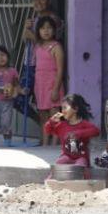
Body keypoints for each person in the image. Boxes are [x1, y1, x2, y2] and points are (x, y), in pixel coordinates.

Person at [32, 16, 65, 145]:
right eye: (43, 28)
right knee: (43, 117)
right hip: (40, 84)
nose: (46, 31)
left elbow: (60, 69)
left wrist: (56, 89)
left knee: (55, 116)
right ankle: (45, 143)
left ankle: (54, 144)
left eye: (49, 28)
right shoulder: (37, 46)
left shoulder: (56, 47)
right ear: (38, 30)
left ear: (54, 30)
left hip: (52, 83)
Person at [44, 94, 101, 167]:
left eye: (65, 108)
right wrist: (51, 121)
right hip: (66, 156)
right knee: (59, 163)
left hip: (81, 157)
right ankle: (52, 177)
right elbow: (48, 130)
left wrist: (78, 134)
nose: (62, 111)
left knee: (80, 165)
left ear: (75, 109)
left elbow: (96, 131)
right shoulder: (62, 125)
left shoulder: (84, 124)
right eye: (62, 108)